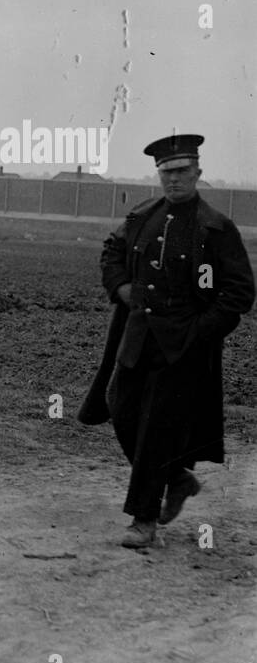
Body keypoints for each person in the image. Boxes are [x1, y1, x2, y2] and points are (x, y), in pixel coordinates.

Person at [78, 134, 254, 549]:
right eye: (166, 172)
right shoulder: (142, 215)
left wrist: (200, 332)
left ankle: (144, 521)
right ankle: (177, 478)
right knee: (119, 406)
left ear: (197, 173)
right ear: (158, 175)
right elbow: (112, 251)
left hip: (182, 346)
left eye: (182, 172)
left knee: (155, 428)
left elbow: (238, 294)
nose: (174, 180)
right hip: (138, 335)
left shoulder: (215, 228)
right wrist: (121, 287)